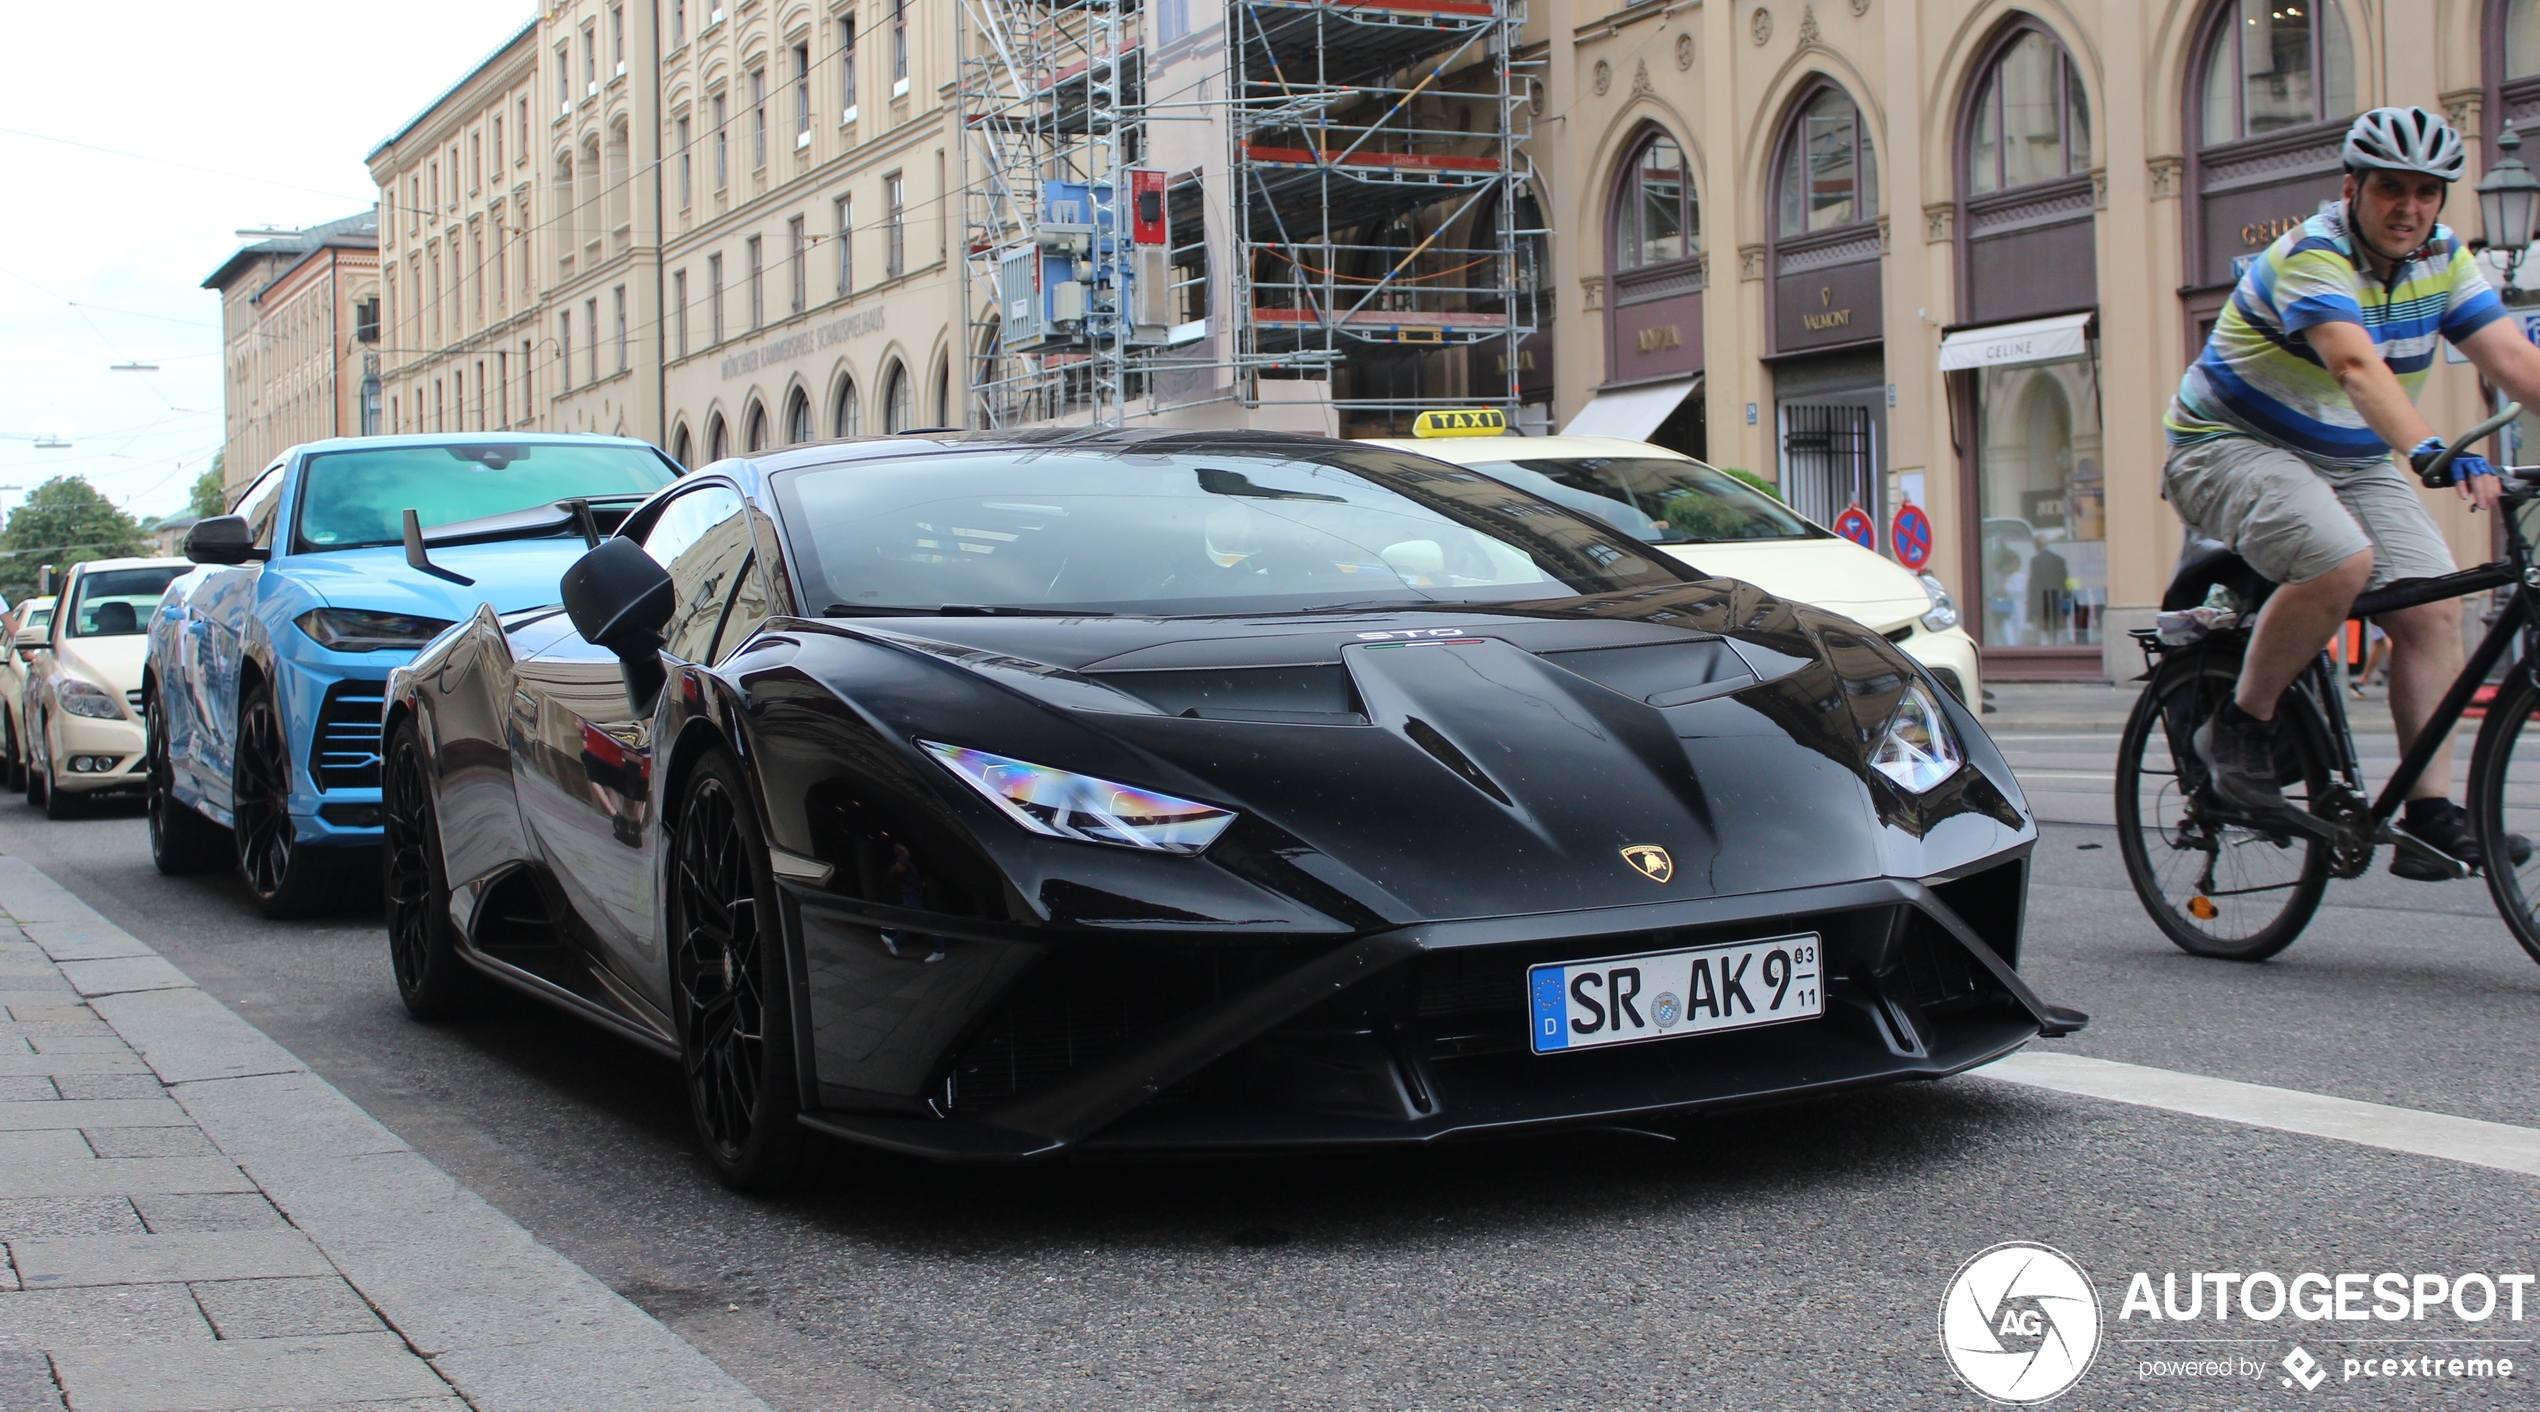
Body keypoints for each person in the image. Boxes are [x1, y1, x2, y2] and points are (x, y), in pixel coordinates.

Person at [2166, 106, 2540, 879]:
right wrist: (2431, 448)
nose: (2409, 208)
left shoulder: (2444, 259)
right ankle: (2238, 729)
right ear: (2352, 188)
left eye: (2426, 193)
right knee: (2340, 561)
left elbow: (2508, 354)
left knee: (2433, 605)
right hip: (2225, 446)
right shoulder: (2313, 254)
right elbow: (2355, 367)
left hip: (2349, 459)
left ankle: (2430, 814)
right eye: (2390, 190)